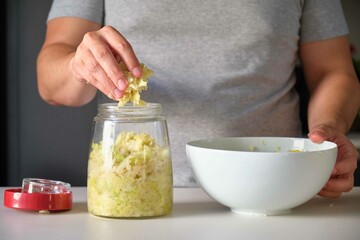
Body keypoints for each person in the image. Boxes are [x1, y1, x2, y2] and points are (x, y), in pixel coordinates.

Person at [37, 0, 360, 198]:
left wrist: (327, 131)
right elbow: (52, 85)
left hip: (275, 187)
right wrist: (77, 66)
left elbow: (333, 70)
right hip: (136, 189)